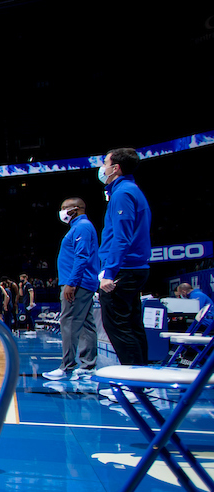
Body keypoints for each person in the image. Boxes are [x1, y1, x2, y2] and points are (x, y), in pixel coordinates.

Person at [97, 147, 153, 365]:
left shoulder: (123, 193)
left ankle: (132, 383)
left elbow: (122, 238)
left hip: (124, 269)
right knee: (132, 326)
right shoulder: (130, 190)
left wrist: (109, 272)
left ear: (115, 168)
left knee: (118, 326)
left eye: (105, 163)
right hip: (133, 267)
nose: (102, 168)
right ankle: (141, 379)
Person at [44, 197, 99, 380]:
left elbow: (81, 257)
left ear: (75, 209)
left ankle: (67, 366)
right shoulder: (80, 227)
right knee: (87, 325)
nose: (61, 212)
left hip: (78, 283)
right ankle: (88, 366)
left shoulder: (82, 227)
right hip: (83, 283)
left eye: (64, 208)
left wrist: (72, 283)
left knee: (68, 323)